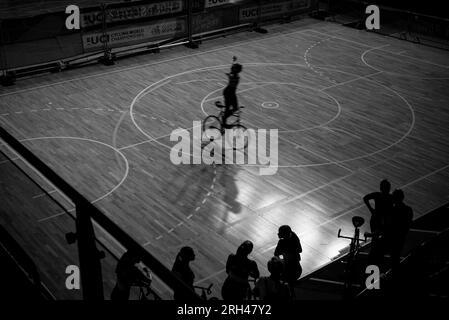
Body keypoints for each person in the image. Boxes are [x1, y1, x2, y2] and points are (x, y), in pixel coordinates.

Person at [363, 179, 393, 264]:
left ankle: (373, 257)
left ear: (380, 188)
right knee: (381, 239)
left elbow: (365, 198)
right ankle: (377, 258)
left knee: (375, 238)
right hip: (382, 220)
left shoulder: (377, 195)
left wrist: (371, 209)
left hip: (375, 219)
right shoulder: (390, 197)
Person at [387, 189, 413, 276]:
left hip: (394, 236)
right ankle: (396, 273)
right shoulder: (408, 210)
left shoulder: (392, 210)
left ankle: (395, 275)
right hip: (401, 236)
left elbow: (389, 224)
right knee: (396, 256)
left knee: (394, 257)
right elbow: (408, 223)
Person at [274, 225, 302, 294]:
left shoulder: (282, 242)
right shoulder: (293, 235)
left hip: (289, 270)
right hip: (296, 269)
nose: (278, 234)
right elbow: (300, 250)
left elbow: (276, 254)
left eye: (280, 233)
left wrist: (283, 257)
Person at [220, 56, 242, 128]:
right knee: (228, 108)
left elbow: (233, 66)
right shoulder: (234, 75)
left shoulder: (233, 73)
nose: (240, 70)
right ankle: (224, 120)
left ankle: (225, 116)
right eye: (239, 69)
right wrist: (229, 75)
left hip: (231, 93)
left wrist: (234, 60)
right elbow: (232, 72)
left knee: (235, 108)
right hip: (229, 93)